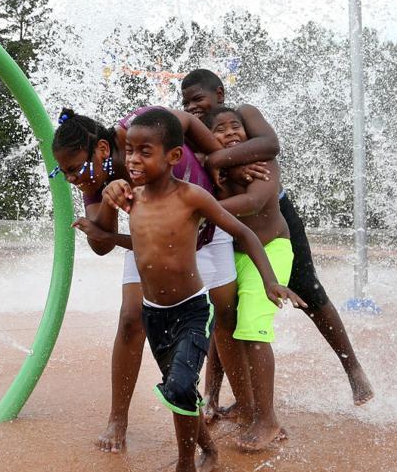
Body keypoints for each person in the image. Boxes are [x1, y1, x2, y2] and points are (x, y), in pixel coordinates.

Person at [78, 108, 302, 472]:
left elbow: (245, 232)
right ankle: (209, 450)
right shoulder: (135, 199)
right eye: (130, 152)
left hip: (192, 312)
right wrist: (105, 230)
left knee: (182, 387)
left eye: (145, 152)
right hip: (154, 313)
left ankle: (185, 466)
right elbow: (143, 244)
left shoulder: (192, 197)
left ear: (173, 158)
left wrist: (270, 280)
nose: (132, 161)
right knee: (178, 392)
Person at [51, 106, 261, 452]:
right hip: (150, 244)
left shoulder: (138, 130)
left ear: (102, 149)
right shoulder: (95, 180)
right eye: (66, 174)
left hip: (206, 233)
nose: (75, 179)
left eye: (77, 169)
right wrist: (106, 200)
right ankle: (118, 419)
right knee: (131, 319)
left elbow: (187, 121)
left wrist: (224, 161)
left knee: (226, 317)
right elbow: (100, 245)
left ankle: (249, 409)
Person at [180, 68, 374, 407]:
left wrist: (218, 160)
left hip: (273, 220)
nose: (193, 107)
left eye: (198, 99)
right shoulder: (195, 130)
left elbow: (270, 145)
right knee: (225, 308)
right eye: (186, 102)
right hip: (229, 226)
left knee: (310, 292)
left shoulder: (245, 114)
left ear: (220, 94)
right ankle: (216, 393)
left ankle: (352, 368)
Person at [204, 106, 296, 451]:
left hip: (270, 250)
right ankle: (243, 406)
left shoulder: (260, 161)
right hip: (235, 253)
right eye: (220, 130)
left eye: (235, 127)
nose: (230, 133)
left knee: (254, 328)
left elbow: (256, 202)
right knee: (226, 326)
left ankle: (268, 420)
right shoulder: (217, 167)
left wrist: (196, 205)